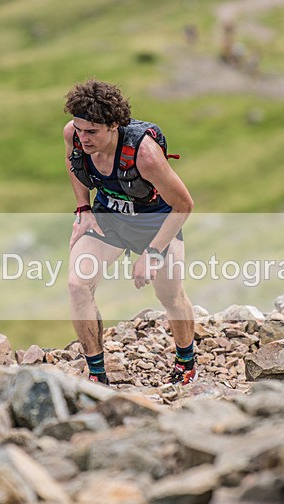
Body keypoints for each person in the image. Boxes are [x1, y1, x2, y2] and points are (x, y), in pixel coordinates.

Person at [63, 79, 197, 386]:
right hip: (107, 219)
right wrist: (83, 208)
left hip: (157, 224)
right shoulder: (73, 133)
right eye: (79, 129)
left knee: (171, 296)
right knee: (77, 285)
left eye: (92, 132)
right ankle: (97, 376)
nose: (83, 138)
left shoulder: (145, 154)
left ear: (113, 126)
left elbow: (184, 205)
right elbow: (73, 163)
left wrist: (152, 253)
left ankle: (186, 362)